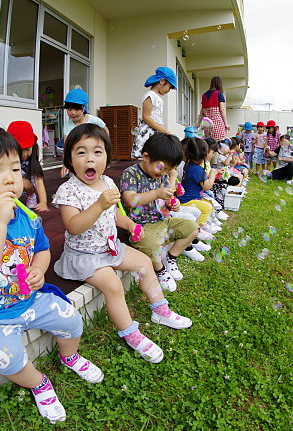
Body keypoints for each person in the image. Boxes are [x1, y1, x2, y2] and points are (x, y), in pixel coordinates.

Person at [0, 126, 103, 424]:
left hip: (29, 299)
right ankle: (39, 383)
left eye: (14, 168)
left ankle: (69, 356)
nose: (10, 178)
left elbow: (43, 250)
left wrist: (38, 268)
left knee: (72, 319)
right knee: (6, 359)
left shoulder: (28, 216)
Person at [53, 124, 192, 364]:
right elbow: (73, 226)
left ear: (107, 157)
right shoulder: (68, 190)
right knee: (113, 286)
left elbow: (117, 215)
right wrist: (98, 205)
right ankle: (132, 334)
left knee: (145, 263)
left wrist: (130, 226)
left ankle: (160, 310)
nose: (90, 159)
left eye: (97, 152)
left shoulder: (108, 182)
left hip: (110, 247)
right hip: (84, 256)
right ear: (69, 159)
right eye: (81, 152)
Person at [121, 132, 203, 285]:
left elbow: (166, 199)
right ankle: (159, 270)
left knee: (193, 228)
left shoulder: (162, 175)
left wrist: (173, 203)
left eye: (168, 170)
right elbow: (131, 200)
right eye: (161, 168)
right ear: (146, 157)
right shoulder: (131, 173)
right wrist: (156, 193)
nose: (164, 173)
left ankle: (171, 257)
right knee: (151, 245)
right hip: (142, 226)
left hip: (164, 221)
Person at [60, 89, 110, 178]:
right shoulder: (68, 125)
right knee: (76, 175)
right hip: (79, 154)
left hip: (92, 152)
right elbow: (67, 144)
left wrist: (105, 144)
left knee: (95, 171)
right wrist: (66, 162)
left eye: (76, 109)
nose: (73, 113)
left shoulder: (93, 120)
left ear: (83, 108)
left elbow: (105, 129)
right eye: (69, 109)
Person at [131, 66, 177, 158]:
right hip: (147, 131)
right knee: (145, 157)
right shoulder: (150, 96)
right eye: (170, 87)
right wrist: (164, 131)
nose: (169, 90)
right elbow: (146, 117)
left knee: (155, 157)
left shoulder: (158, 97)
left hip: (155, 130)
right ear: (162, 81)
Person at [7, 121, 49, 212]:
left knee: (24, 181)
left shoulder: (31, 161)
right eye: (20, 150)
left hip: (27, 186)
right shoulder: (5, 159)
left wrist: (43, 202)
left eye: (27, 149)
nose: (24, 154)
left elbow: (39, 181)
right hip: (10, 185)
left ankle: (31, 196)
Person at [197, 76, 229, 141]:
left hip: (207, 124)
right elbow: (222, 110)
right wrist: (226, 124)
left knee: (208, 142)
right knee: (219, 143)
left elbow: (201, 111)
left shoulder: (204, 95)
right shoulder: (219, 94)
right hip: (217, 123)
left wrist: (199, 123)